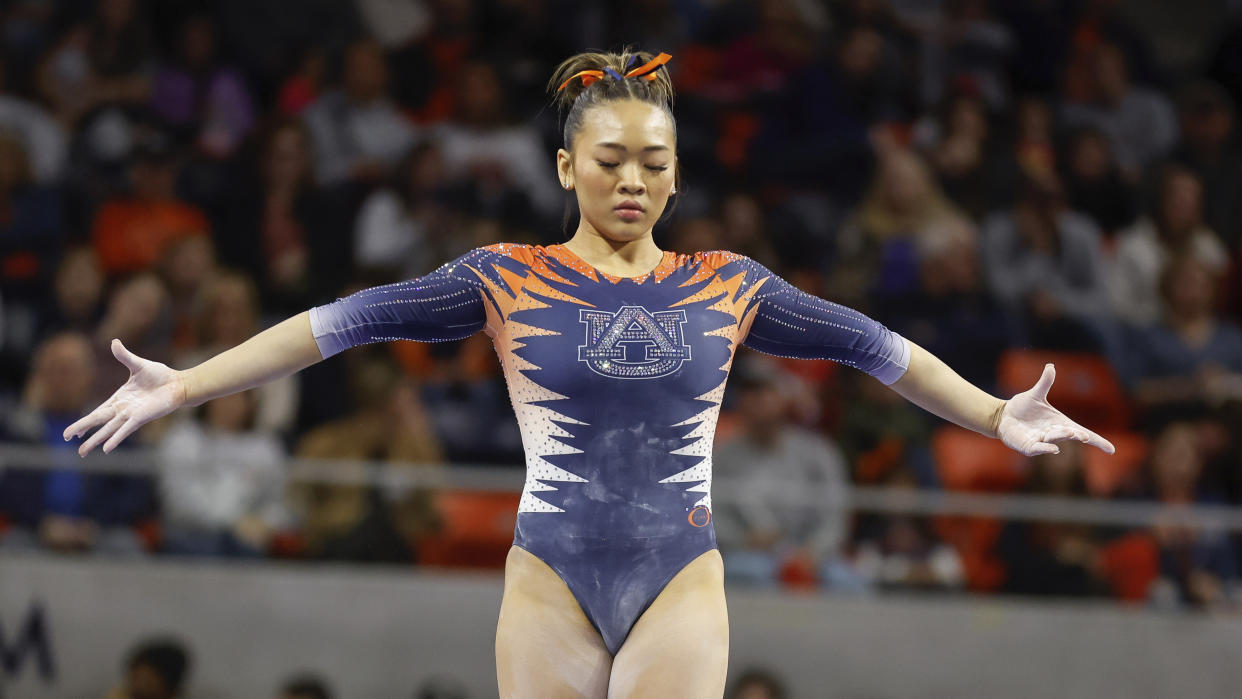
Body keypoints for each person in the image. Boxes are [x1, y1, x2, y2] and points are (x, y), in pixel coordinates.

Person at [66, 50, 1114, 697]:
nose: (633, 180)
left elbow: (877, 348)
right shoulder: (505, 278)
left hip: (680, 573)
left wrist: (990, 414)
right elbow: (336, 326)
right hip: (551, 572)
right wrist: (185, 385)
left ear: (677, 173)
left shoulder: (729, 286)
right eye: (609, 159)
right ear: (568, 167)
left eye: (654, 162)